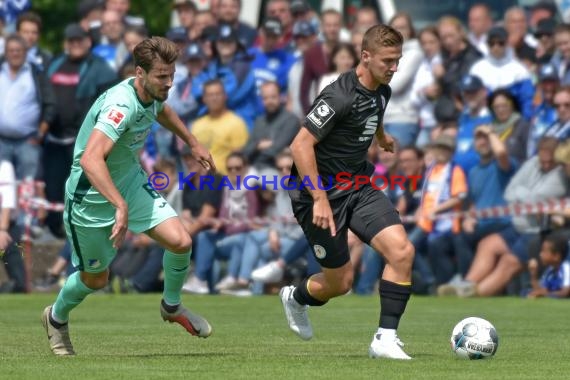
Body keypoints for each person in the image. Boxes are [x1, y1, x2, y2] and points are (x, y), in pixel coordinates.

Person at [41, 36, 216, 356]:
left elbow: (162, 110)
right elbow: (91, 160)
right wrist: (118, 205)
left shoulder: (150, 91)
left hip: (130, 183)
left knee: (181, 241)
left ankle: (172, 306)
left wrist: (192, 141)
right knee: (95, 279)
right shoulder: (119, 106)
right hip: (90, 198)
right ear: (140, 73)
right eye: (162, 76)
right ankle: (56, 317)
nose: (169, 83)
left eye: (172, 75)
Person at [280, 24, 415, 360]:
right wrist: (320, 199)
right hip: (317, 195)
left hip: (357, 186)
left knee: (402, 251)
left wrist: (380, 136)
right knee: (340, 284)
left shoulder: (383, 89)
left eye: (397, 60)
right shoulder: (338, 95)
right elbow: (299, 146)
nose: (394, 67)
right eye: (387, 61)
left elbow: (374, 110)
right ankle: (296, 297)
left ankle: (384, 339)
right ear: (365, 57)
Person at [526, 231, 570, 299]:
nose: (540, 254)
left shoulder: (566, 269)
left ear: (556, 256)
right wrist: (533, 275)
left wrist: (545, 294)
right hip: (552, 295)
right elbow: (540, 291)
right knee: (526, 292)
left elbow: (565, 292)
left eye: (544, 251)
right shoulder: (550, 271)